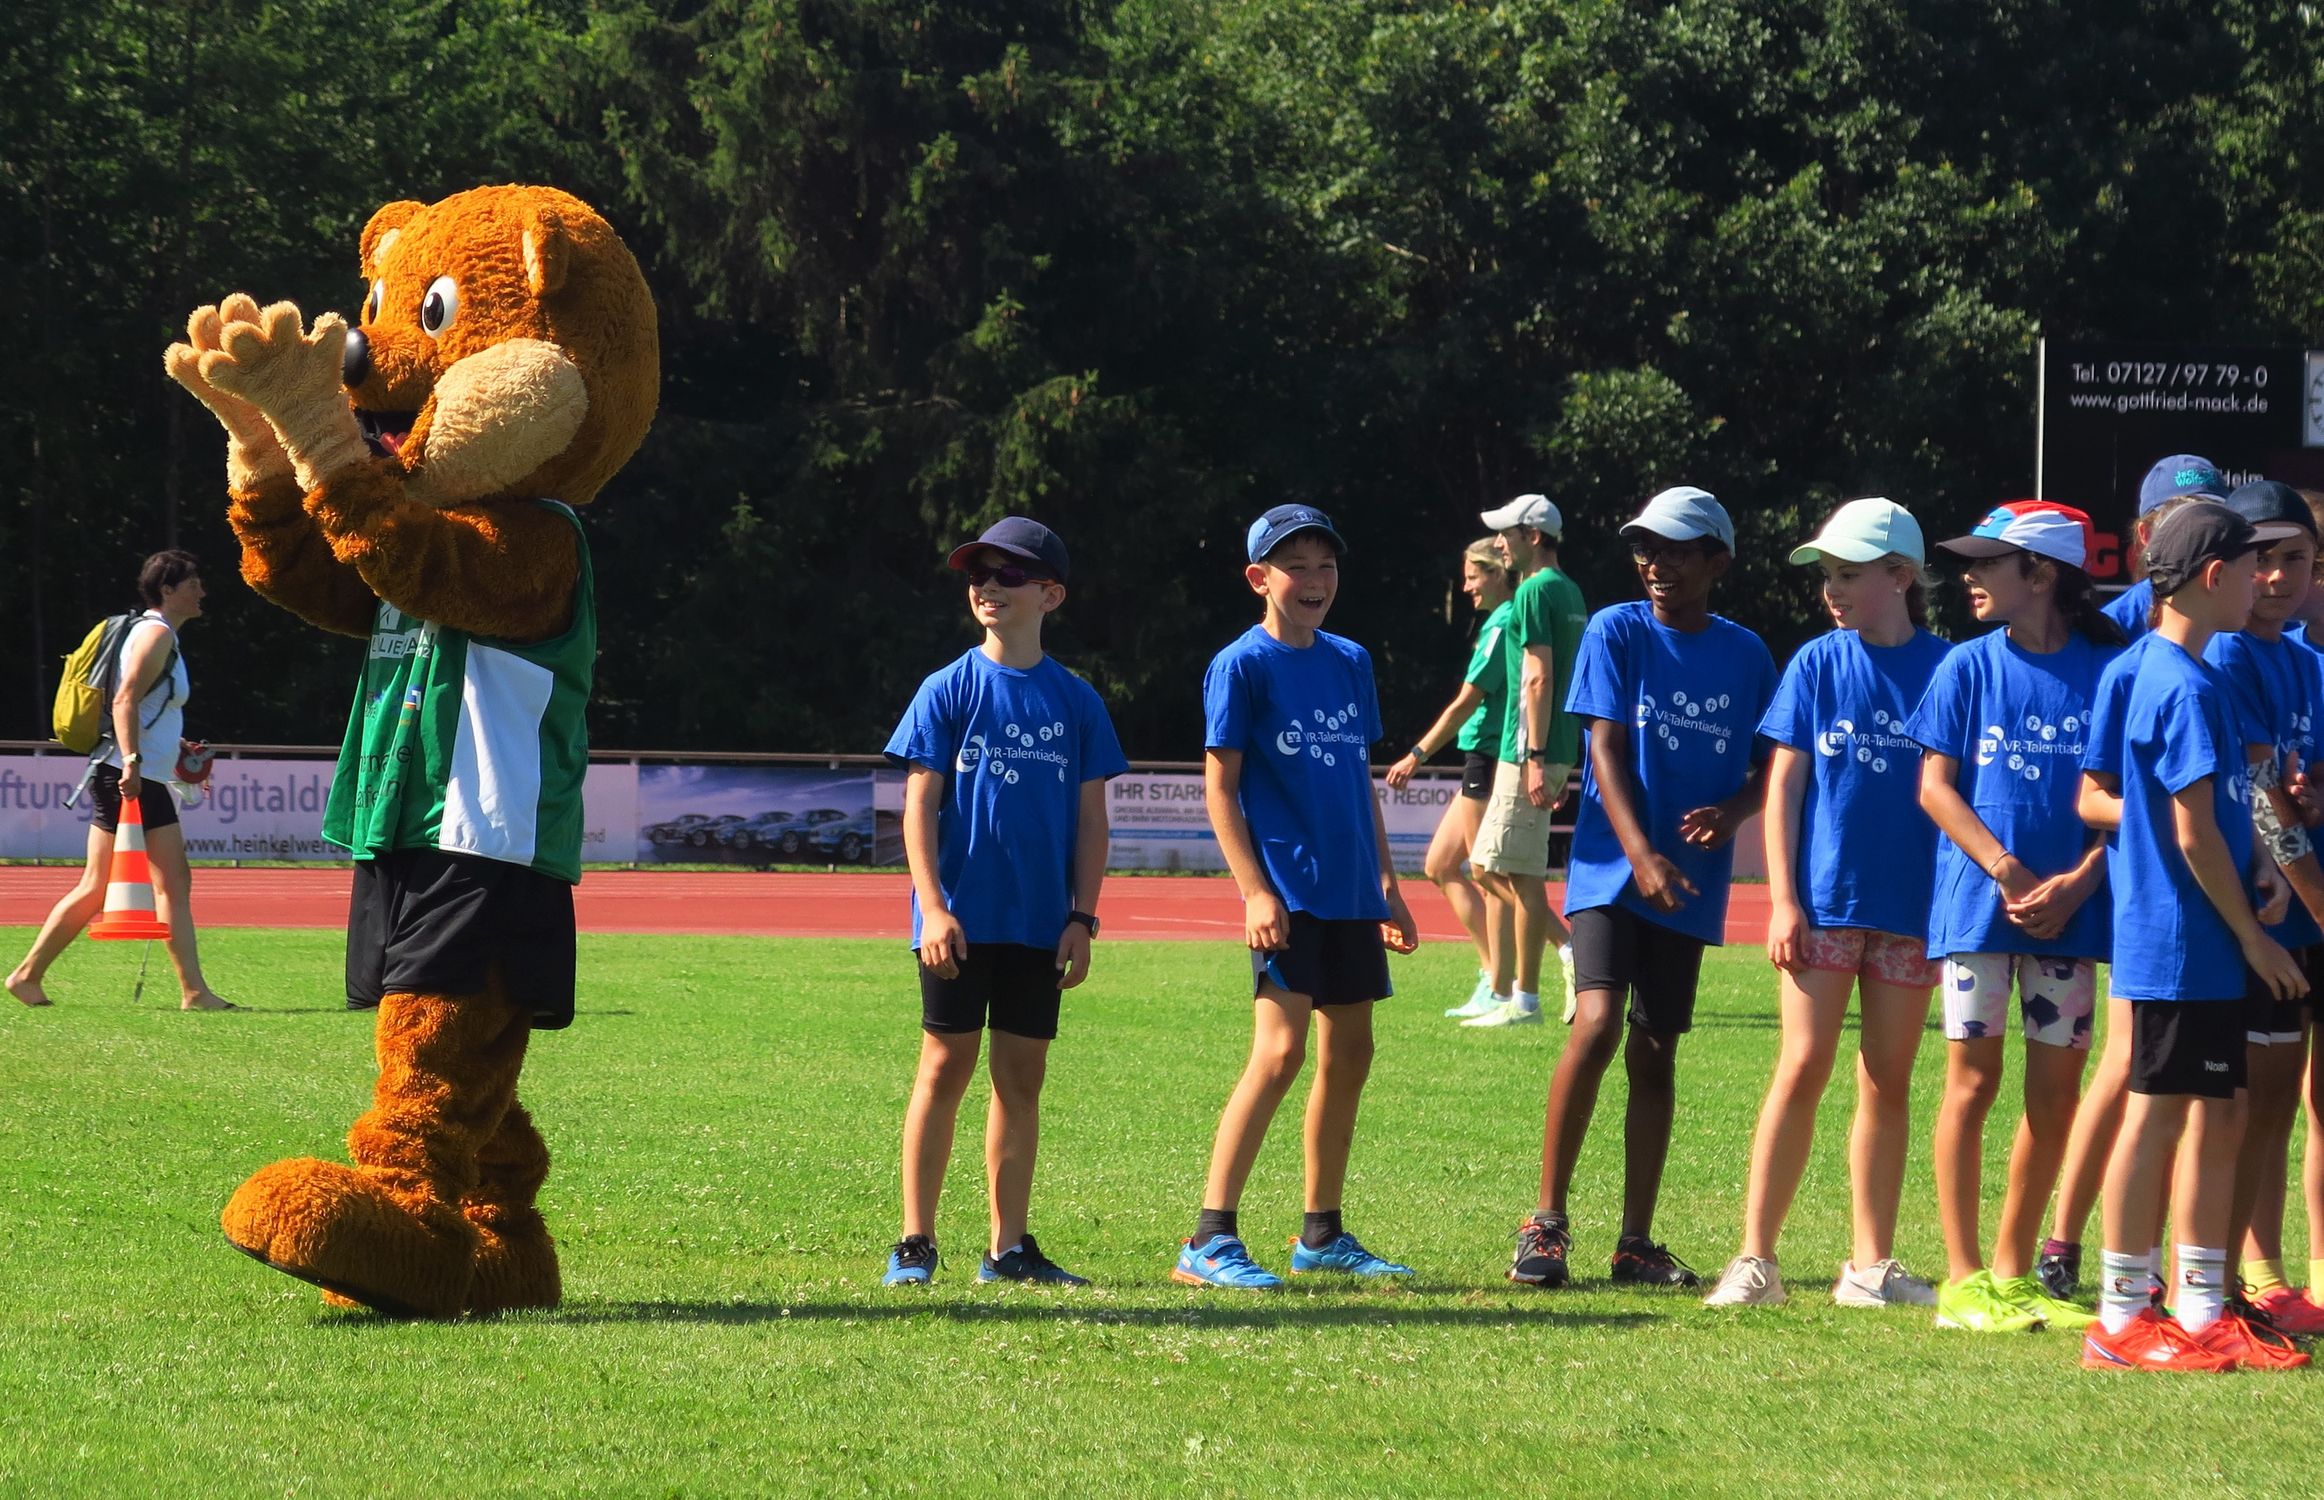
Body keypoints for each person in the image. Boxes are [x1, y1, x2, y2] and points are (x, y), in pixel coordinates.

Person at [1509, 487, 1776, 1290]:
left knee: (1655, 1050)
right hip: (1609, 868)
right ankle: (1545, 1223)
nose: (1655, 563)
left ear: (1717, 562)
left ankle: (1635, 1243)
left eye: (1676, 550)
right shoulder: (1616, 630)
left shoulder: (1747, 655)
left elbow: (1776, 763)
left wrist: (1734, 810)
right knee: (1596, 1021)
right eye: (1645, 548)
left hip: (1689, 880)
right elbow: (1605, 748)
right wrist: (1641, 856)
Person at [2075, 500, 2310, 1371]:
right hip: (2188, 941)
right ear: (2215, 577)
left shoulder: (2146, 666)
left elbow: (2185, 813)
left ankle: (2203, 1308)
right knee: (2158, 1116)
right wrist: (2252, 935)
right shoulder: (2184, 683)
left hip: (2187, 935)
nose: (2264, 581)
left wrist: (2258, 863)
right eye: (2251, 567)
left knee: (2213, 1112)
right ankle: (2121, 1318)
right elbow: (2190, 829)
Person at [1704, 499, 1950, 1308]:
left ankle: (1870, 1268)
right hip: (1825, 906)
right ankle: (1755, 1262)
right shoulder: (1815, 662)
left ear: (1901, 576)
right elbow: (1783, 788)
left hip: (1912, 911)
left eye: (1848, 574)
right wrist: (1784, 901)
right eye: (1828, 576)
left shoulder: (1950, 668)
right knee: (1802, 1066)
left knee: (1888, 1080)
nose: (1832, 590)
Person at [1173, 504, 1420, 1289]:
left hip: (1351, 892)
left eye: (1326, 565)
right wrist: (1254, 891)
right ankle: (1208, 1238)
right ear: (1259, 578)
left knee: (1351, 1054)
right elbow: (1220, 790)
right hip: (1287, 893)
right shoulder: (1240, 665)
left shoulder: (1350, 660)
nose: (1315, 580)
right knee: (1279, 1054)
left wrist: (1388, 885)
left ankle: (1322, 1233)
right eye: (1295, 566)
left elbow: (1358, 783)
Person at [880, 517, 1127, 1287]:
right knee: (942, 1069)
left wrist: (1082, 918)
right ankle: (915, 1242)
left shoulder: (1076, 701)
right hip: (957, 922)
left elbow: (1092, 822)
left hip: (1039, 926)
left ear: (1050, 595)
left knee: (1021, 1081)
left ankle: (1007, 1249)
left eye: (1009, 574)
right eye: (978, 574)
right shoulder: (946, 689)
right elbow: (919, 807)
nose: (988, 586)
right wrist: (933, 908)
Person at [1906, 501, 2120, 1333]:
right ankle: (1963, 1281)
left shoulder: (2112, 668)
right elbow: (1934, 788)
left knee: (2055, 1095)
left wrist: (2078, 882)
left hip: (2073, 917)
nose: (1970, 576)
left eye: (1988, 562)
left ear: (2042, 574)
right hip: (1977, 914)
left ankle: (2014, 1271)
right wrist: (2005, 868)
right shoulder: (1965, 666)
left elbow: (2133, 801)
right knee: (1972, 1083)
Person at [2199, 482, 2324, 1336]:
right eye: (2263, 558)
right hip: (2259, 917)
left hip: (2298, 914)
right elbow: (2253, 794)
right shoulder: (2228, 656)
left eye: (2295, 559)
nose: (2277, 576)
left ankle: (2278, 1278)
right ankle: (2242, 1274)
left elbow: (2295, 785)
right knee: (2244, 1107)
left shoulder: (2307, 662)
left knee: (2285, 1103)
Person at [8, 550, 235, 1012]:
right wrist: (132, 760)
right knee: (138, 884)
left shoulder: (157, 633)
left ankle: (192, 991)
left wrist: (174, 746)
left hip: (134, 774)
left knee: (150, 882)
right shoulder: (156, 634)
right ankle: (192, 992)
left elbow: (145, 706)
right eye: (193, 583)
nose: (202, 591)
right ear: (167, 590)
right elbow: (125, 699)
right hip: (130, 777)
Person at [1464, 494, 1588, 1029]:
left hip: (1529, 749)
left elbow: (1538, 676)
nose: (1499, 543)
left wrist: (1536, 756)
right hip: (1549, 746)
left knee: (1517, 871)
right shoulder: (1569, 590)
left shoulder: (1536, 589)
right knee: (1493, 865)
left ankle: (1528, 998)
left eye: (1506, 533)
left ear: (1533, 537)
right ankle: (1536, 982)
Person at [1383, 538, 1517, 1018]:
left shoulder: (1504, 623)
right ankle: (1495, 975)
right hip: (1480, 754)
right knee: (1442, 864)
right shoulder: (1499, 622)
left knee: (1490, 875)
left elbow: (1465, 703)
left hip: (1489, 754)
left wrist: (1417, 754)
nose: (1466, 587)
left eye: (1473, 577)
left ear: (1497, 573)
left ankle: (1525, 974)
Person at [2102, 454, 2229, 642]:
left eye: (2216, 521)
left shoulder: (2245, 612)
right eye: (2183, 523)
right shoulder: (2113, 629)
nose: (2204, 535)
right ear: (2146, 534)